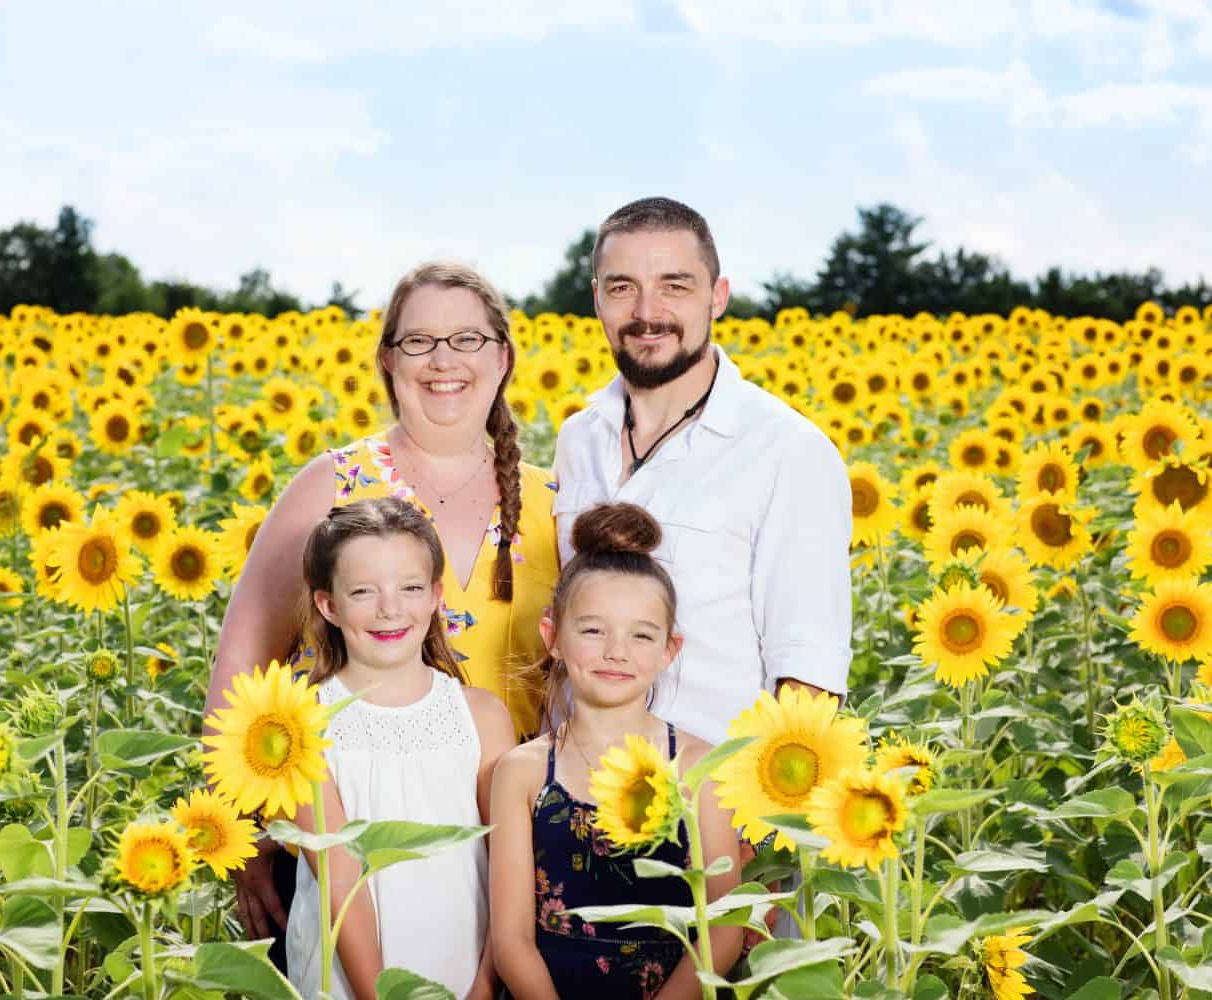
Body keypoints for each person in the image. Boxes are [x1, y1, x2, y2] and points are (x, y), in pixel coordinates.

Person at [208, 262, 560, 965]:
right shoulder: (331, 485)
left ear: (504, 357)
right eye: (419, 341)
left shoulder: (557, 503)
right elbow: (240, 668)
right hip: (341, 837)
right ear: (387, 360)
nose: (443, 361)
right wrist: (243, 832)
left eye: (466, 338)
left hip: (513, 851)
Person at [552, 197, 853, 745]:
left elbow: (810, 670)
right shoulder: (578, 438)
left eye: (675, 285)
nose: (648, 312)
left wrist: (759, 821)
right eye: (622, 287)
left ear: (718, 297)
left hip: (711, 803)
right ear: (597, 299)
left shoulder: (788, 452)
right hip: (574, 792)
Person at [489, 503, 742, 1000]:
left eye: (641, 635)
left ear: (670, 649)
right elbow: (512, 941)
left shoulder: (700, 767)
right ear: (552, 637)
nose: (616, 651)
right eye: (592, 630)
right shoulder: (521, 772)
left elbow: (724, 926)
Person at [284, 497, 515, 999]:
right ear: (329, 605)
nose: (391, 608)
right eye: (364, 591)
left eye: (410, 588)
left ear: (435, 596)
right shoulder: (301, 723)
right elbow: (340, 879)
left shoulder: (482, 716)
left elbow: (510, 870)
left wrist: (485, 986)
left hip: (464, 971)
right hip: (350, 981)